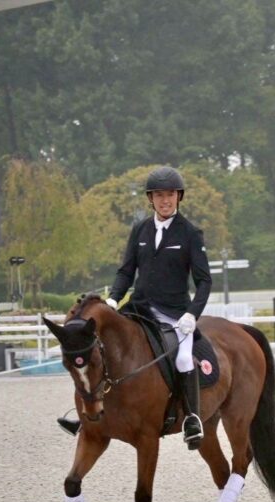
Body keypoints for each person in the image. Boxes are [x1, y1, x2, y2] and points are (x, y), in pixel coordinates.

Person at [74, 165, 212, 447]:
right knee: (103, 347)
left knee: (184, 359)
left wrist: (192, 314)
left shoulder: (190, 233)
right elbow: (126, 271)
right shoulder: (140, 230)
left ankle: (192, 418)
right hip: (138, 307)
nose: (165, 200)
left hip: (175, 313)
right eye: (159, 195)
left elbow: (204, 281)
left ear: (179, 196)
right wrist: (113, 299)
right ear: (151, 198)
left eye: (170, 194)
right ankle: (88, 413)